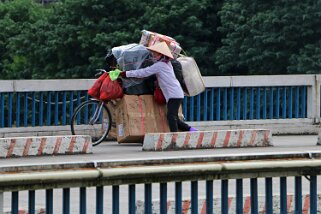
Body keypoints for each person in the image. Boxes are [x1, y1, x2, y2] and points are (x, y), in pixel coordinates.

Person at [120, 42, 198, 132]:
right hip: (174, 94)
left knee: (171, 117)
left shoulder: (160, 65)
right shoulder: (166, 63)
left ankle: (175, 137)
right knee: (174, 117)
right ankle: (192, 130)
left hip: (174, 94)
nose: (153, 55)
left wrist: (125, 73)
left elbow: (143, 72)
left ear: (161, 55)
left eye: (155, 54)